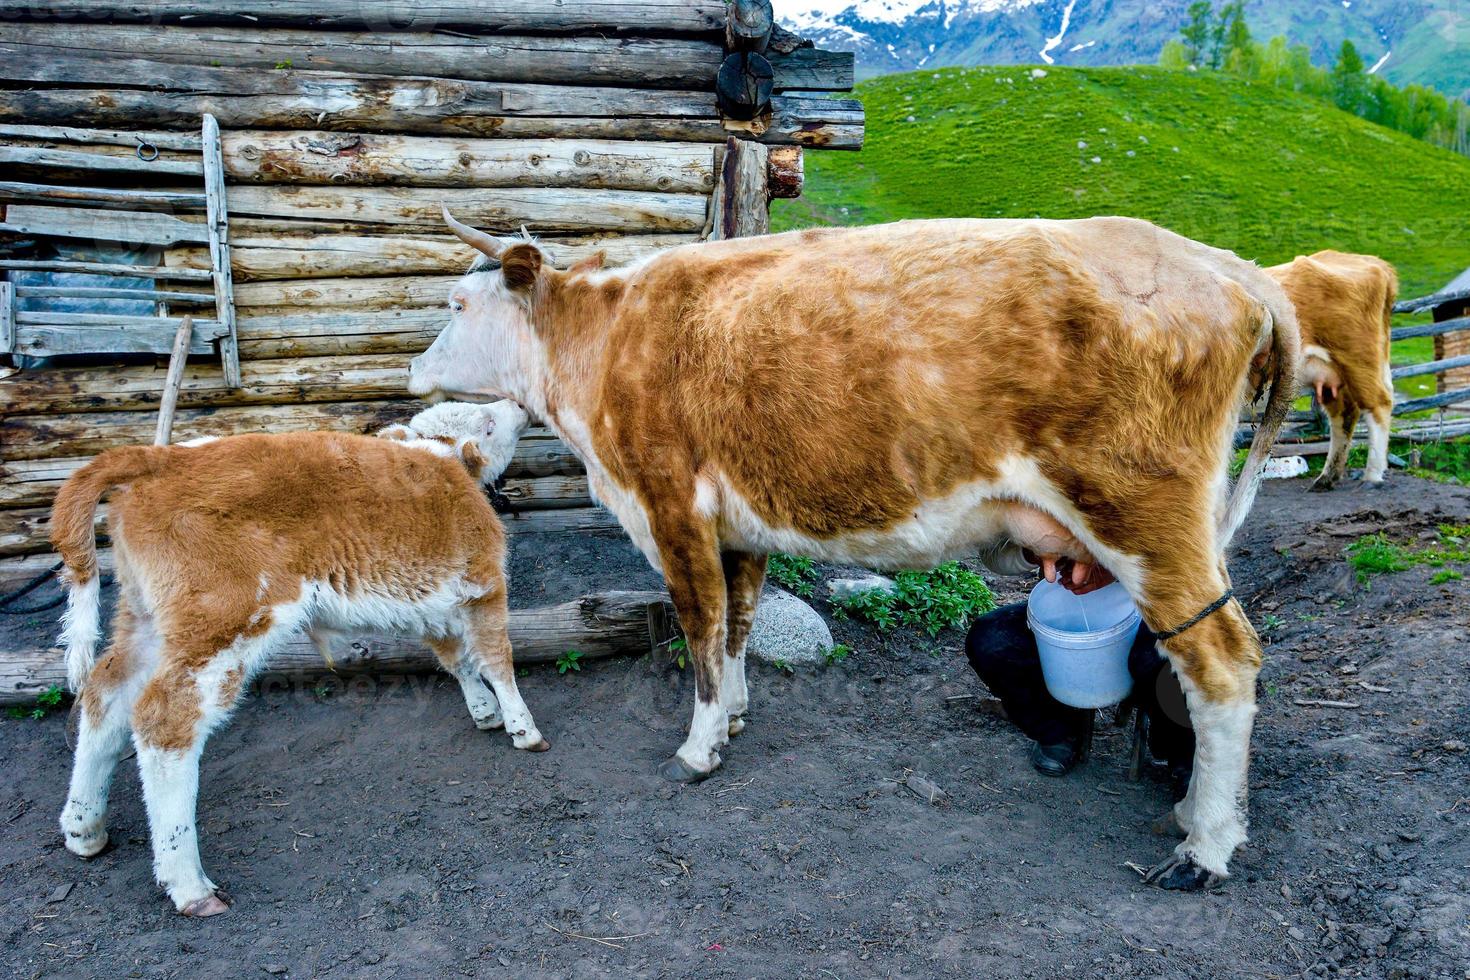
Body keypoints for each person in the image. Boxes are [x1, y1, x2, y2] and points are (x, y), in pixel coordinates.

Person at [964, 558, 1195, 794]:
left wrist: (1116, 569)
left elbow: (1195, 561)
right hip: (1073, 600)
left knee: (1177, 656)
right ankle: (1056, 730)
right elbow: (996, 554)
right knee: (990, 640)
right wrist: (1035, 551)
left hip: (1151, 602)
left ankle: (1185, 754)